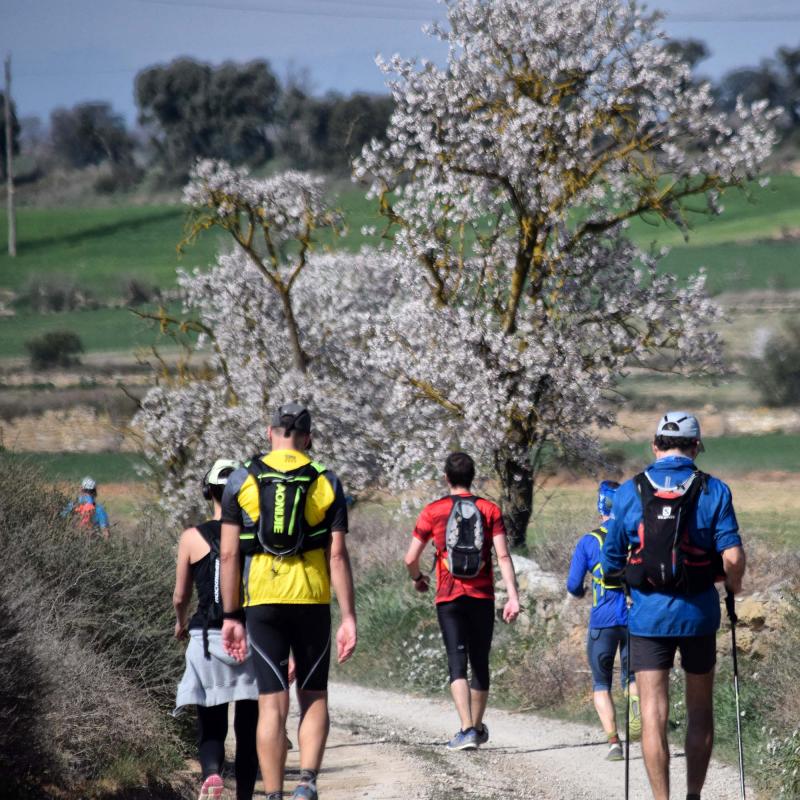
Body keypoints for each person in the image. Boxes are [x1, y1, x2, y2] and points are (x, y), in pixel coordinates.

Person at [601, 412, 746, 800]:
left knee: (652, 713)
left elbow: (611, 556)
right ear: (696, 446)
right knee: (700, 709)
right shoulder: (715, 490)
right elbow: (732, 557)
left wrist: (625, 585)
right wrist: (733, 588)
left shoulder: (629, 492)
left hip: (648, 616)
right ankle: (694, 795)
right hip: (699, 615)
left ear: (655, 446)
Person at [219, 403, 357, 800]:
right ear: (308, 438)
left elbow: (229, 556)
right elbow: (337, 556)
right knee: (313, 694)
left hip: (262, 600)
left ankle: (274, 793)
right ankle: (307, 783)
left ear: (270, 432)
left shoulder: (242, 478)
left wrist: (232, 615)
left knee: (271, 703)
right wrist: (348, 616)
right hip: (312, 599)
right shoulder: (325, 479)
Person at [404, 451, 520, 750]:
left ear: (446, 478)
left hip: (449, 596)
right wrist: (513, 597)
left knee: (457, 662)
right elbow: (503, 556)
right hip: (482, 595)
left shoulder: (433, 511)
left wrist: (418, 578)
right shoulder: (490, 510)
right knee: (480, 661)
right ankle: (477, 729)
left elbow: (410, 558)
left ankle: (466, 728)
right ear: (473, 477)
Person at [173, 459, 260, 800]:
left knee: (211, 719)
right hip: (249, 636)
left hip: (207, 636)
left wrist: (180, 624)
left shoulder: (191, 537)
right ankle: (245, 794)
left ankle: (211, 774)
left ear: (207, 491)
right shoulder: (253, 534)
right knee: (248, 725)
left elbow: (180, 595)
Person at [566, 480, 641, 761]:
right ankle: (635, 703)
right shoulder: (635, 538)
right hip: (634, 618)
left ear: (600, 506)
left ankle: (613, 742)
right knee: (633, 676)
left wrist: (583, 589)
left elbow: (573, 585)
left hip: (602, 621)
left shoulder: (588, 542)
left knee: (601, 683)